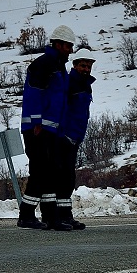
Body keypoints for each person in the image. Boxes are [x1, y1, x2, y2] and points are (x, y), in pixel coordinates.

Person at [18, 24, 76, 230]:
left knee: (50, 172)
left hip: (51, 130)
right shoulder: (44, 64)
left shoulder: (59, 67)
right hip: (38, 129)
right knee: (41, 171)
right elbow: (34, 95)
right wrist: (36, 123)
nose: (70, 50)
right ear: (58, 44)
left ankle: (51, 217)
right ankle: (26, 215)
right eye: (68, 46)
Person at [53, 47, 96, 231]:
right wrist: (62, 134)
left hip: (75, 138)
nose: (86, 69)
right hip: (63, 137)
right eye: (83, 65)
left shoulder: (85, 85)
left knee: (69, 179)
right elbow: (59, 109)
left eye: (89, 66)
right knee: (62, 178)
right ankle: (57, 216)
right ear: (75, 65)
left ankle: (65, 215)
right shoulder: (69, 83)